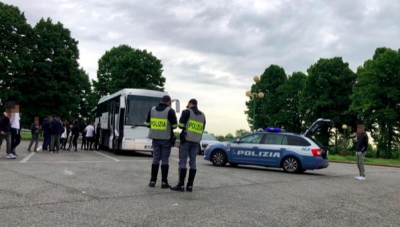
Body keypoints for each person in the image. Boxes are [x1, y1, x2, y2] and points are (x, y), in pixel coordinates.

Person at [171, 99, 206, 192]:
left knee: (182, 161)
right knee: (193, 162)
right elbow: (202, 128)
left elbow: (181, 125)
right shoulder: (202, 115)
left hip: (186, 140)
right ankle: (190, 186)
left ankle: (181, 185)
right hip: (196, 142)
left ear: (190, 104)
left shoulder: (186, 112)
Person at [145, 95, 178, 188]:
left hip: (155, 138)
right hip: (166, 138)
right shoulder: (170, 111)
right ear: (169, 102)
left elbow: (147, 124)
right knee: (165, 159)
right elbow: (175, 126)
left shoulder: (152, 110)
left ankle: (152, 181)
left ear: (161, 101)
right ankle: (164, 182)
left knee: (155, 158)